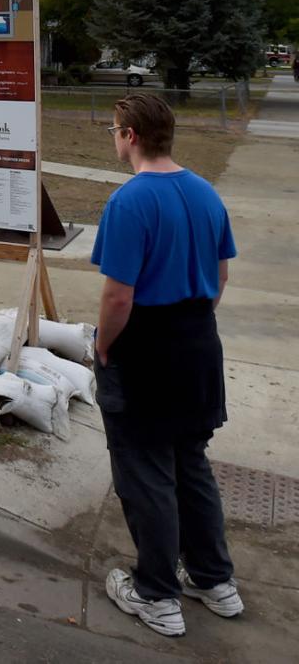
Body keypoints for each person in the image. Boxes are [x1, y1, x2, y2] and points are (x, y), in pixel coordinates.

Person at [93, 92, 242, 638]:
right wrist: (193, 324)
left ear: (130, 135)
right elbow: (221, 275)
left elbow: (118, 298)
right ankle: (213, 579)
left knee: (146, 470)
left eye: (114, 129)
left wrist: (105, 347)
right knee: (191, 463)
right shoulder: (205, 192)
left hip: (146, 348)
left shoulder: (130, 202)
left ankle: (156, 593)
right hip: (199, 339)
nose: (114, 137)